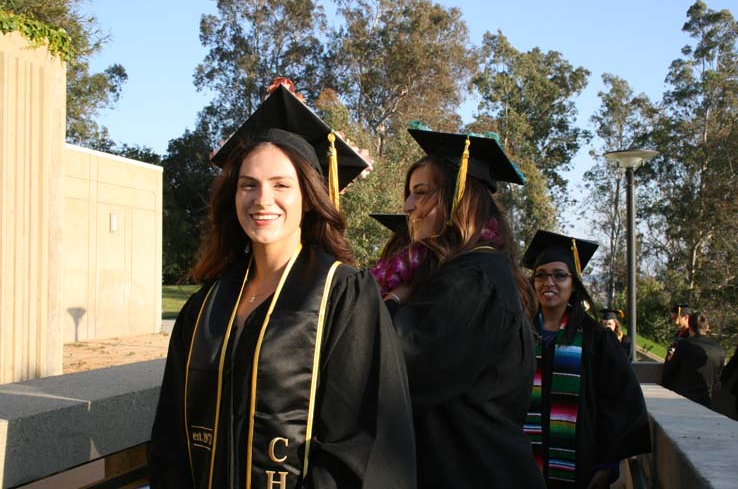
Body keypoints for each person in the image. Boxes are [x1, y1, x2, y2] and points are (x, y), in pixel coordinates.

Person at [149, 82, 416, 489]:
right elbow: (172, 436)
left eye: (281, 185)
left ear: (308, 196)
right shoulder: (205, 308)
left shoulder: (343, 296)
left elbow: (359, 444)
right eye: (248, 185)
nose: (262, 199)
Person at [372, 126, 546, 488]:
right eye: (408, 194)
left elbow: (395, 367)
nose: (407, 206)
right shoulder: (474, 272)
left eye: (421, 193)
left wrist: (393, 299)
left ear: (458, 199)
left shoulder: (472, 283)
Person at [521, 230, 651, 488]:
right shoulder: (518, 335)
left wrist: (606, 466)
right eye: (541, 274)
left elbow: (621, 404)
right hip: (520, 468)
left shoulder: (597, 339)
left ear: (574, 283)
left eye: (560, 275)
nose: (549, 282)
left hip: (583, 470)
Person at [662, 311, 726, 409]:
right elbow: (717, 379)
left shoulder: (684, 345)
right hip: (705, 402)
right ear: (707, 327)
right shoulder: (720, 351)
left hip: (682, 400)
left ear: (690, 328)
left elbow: (669, 371)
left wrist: (669, 359)